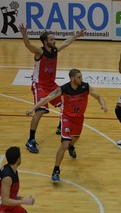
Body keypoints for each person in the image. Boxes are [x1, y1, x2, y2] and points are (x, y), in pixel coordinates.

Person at [26, 69, 108, 182]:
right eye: (79, 77)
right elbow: (47, 98)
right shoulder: (63, 89)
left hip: (79, 118)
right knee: (64, 145)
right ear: (72, 78)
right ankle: (56, 170)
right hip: (67, 118)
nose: (81, 79)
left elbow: (98, 96)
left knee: (75, 138)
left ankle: (72, 146)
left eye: (81, 77)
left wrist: (103, 105)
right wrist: (32, 109)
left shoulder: (85, 87)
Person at [19, 24, 85, 154]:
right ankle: (31, 139)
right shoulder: (40, 52)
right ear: (45, 42)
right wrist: (24, 35)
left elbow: (65, 43)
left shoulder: (54, 50)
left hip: (51, 84)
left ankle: (60, 127)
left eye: (54, 39)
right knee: (40, 111)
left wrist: (76, 36)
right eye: (51, 39)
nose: (54, 41)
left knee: (65, 104)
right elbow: (28, 46)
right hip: (40, 85)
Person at [0, 146, 35, 213]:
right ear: (18, 160)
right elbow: (5, 201)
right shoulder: (7, 177)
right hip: (0, 207)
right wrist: (25, 201)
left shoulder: (12, 170)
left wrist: (18, 198)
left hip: (9, 205)